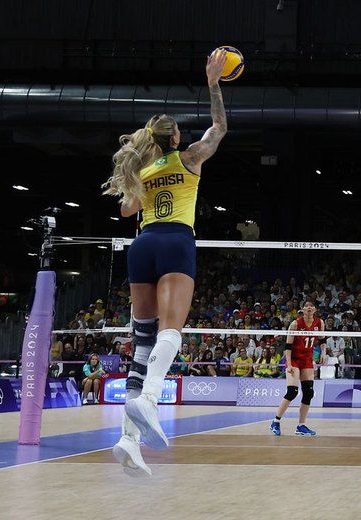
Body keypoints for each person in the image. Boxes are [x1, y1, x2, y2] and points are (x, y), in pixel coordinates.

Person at [102, 49, 228, 477]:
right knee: (170, 332)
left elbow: (125, 210)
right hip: (175, 240)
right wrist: (212, 83)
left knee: (141, 342)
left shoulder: (143, 168)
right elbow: (220, 128)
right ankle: (150, 398)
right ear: (175, 139)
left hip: (142, 244)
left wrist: (140, 174)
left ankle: (127, 440)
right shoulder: (189, 157)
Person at [270, 300, 326, 436]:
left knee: (308, 393)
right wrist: (288, 364)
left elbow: (323, 340)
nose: (309, 308)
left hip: (307, 360)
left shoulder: (320, 323)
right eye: (306, 306)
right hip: (294, 360)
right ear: (302, 309)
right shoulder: (295, 324)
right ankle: (275, 421)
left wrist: (323, 353)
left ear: (315, 309)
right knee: (292, 392)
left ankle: (301, 426)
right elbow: (287, 347)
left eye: (311, 306)